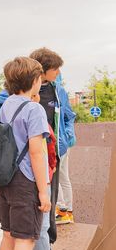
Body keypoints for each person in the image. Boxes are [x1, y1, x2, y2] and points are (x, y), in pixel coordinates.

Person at [0, 57, 57, 250]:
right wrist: (43, 191)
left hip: (6, 179)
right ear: (33, 80)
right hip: (25, 181)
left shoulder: (6, 106)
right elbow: (36, 152)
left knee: (8, 236)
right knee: (24, 240)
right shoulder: (34, 109)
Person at [29, 85, 69, 250]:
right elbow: (41, 153)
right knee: (42, 226)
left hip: (25, 179)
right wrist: (44, 188)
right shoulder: (35, 114)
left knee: (18, 234)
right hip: (39, 178)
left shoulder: (9, 110)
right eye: (36, 94)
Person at [55, 73, 77, 225]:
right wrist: (69, 134)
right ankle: (68, 212)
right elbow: (70, 115)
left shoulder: (56, 90)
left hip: (59, 142)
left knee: (56, 176)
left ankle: (62, 211)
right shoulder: (61, 90)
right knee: (63, 177)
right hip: (65, 141)